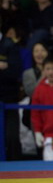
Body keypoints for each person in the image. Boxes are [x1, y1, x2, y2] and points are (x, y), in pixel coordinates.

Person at [0, 27, 24, 160]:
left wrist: (7, 68)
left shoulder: (10, 45)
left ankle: (16, 168)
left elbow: (14, 73)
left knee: (11, 138)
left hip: (8, 101)